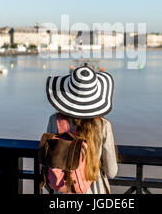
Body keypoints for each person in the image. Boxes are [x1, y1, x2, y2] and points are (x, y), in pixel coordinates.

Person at [45, 64, 118, 194]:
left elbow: (48, 159)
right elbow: (111, 172)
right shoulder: (103, 125)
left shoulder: (54, 121)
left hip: (63, 189)